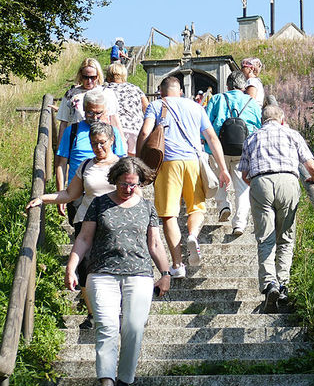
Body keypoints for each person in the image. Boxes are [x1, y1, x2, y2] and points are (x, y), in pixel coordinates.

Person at [65, 157, 171, 386]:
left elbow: (155, 244)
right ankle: (107, 384)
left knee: (133, 327)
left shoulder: (147, 207)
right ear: (115, 180)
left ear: (140, 182)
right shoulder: (99, 203)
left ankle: (124, 380)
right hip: (102, 273)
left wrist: (165, 273)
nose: (128, 189)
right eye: (124, 184)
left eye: (133, 184)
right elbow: (84, 239)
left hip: (139, 274)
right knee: (106, 325)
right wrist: (71, 268)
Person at [27, 121, 121, 329]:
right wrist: (43, 198)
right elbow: (70, 194)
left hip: (115, 226)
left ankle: (115, 313)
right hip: (86, 223)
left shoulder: (123, 166)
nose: (98, 148)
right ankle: (93, 314)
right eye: (94, 143)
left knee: (113, 270)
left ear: (112, 141)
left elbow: (136, 196)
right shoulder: (86, 165)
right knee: (86, 269)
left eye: (102, 143)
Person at [136, 76, 231, 277]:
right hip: (193, 161)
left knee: (169, 214)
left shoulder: (156, 105)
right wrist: (222, 168)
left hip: (167, 162)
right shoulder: (196, 107)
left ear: (161, 91)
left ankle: (178, 265)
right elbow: (212, 137)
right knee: (196, 207)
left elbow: (145, 132)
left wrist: (138, 161)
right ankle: (193, 235)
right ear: (180, 91)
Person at [238, 103, 314, 312]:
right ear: (282, 118)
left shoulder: (252, 137)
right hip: (288, 182)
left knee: (265, 238)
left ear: (262, 120)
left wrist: (258, 186)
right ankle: (283, 284)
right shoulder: (291, 134)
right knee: (285, 237)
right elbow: (310, 164)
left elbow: (244, 174)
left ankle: (269, 284)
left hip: (260, 182)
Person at [204, 70, 262, 235]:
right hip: (243, 150)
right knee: (242, 187)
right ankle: (240, 223)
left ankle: (223, 206)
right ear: (244, 87)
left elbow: (206, 124)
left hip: (218, 148)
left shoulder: (217, 99)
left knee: (219, 178)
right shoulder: (251, 102)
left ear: (227, 86)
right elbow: (258, 126)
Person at [55, 90, 126, 223]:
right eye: (90, 112)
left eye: (99, 113)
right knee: (81, 234)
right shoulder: (72, 131)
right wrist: (61, 194)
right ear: (83, 109)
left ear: (105, 111)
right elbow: (61, 164)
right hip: (78, 193)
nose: (94, 117)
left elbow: (123, 163)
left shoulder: (112, 132)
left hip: (107, 191)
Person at [56, 58, 122, 149]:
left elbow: (114, 121)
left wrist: (121, 146)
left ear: (98, 76)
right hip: (78, 143)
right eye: (85, 77)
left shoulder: (107, 93)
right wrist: (60, 149)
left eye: (93, 77)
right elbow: (64, 123)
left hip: (103, 143)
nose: (89, 81)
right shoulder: (71, 95)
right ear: (80, 76)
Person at [104, 62, 149, 157]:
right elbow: (147, 108)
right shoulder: (135, 88)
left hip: (115, 129)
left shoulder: (105, 90)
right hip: (135, 128)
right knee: (133, 160)